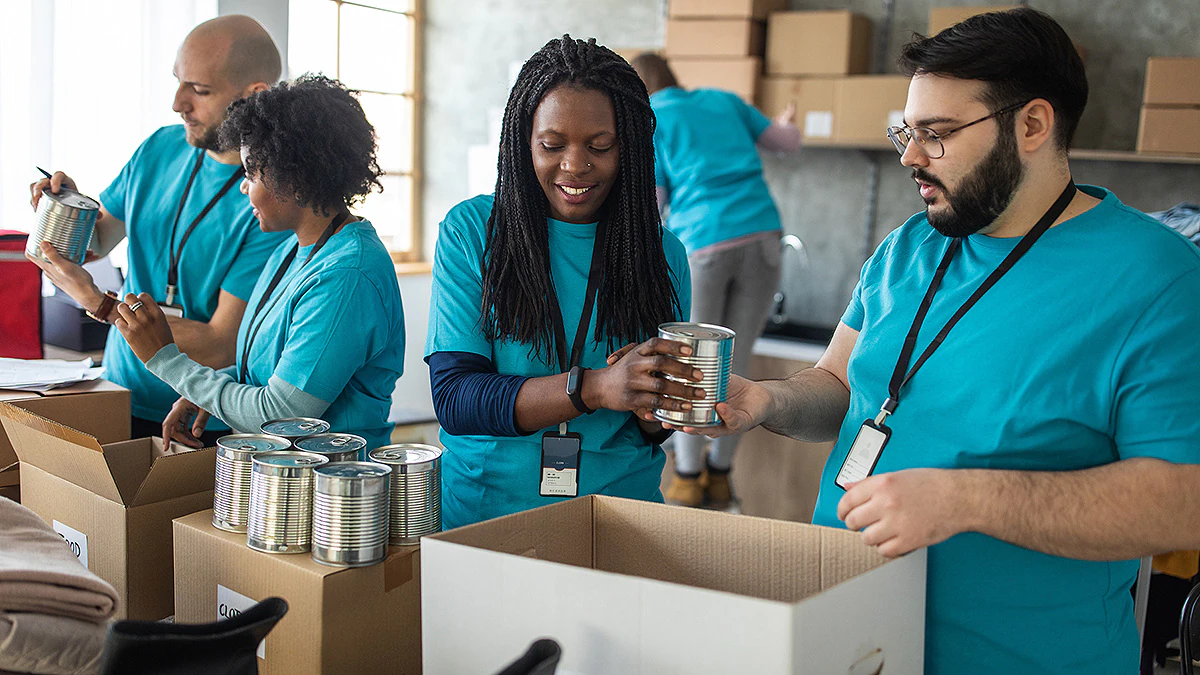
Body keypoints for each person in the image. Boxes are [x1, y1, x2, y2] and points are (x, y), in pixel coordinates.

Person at [662, 8, 1200, 673]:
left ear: (1032, 125)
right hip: (850, 637)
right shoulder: (907, 246)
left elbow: (1183, 501)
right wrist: (766, 400)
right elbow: (837, 383)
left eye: (938, 134)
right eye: (906, 133)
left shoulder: (1154, 276)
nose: (911, 157)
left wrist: (966, 498)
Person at [425, 36, 699, 530]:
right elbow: (456, 399)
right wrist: (592, 388)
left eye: (600, 146)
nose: (574, 166)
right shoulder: (471, 231)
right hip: (486, 513)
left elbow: (651, 429)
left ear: (630, 149)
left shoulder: (663, 252)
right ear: (521, 141)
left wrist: (657, 405)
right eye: (552, 146)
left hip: (621, 515)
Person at [27, 15, 288, 445]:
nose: (177, 102)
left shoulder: (270, 201)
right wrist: (64, 212)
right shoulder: (159, 148)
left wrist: (103, 305)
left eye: (199, 90)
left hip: (198, 419)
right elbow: (95, 243)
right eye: (178, 81)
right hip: (115, 394)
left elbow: (222, 343)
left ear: (253, 95)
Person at [112, 74, 405, 453]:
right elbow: (269, 369)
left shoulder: (346, 275)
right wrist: (207, 389)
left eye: (251, 172)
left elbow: (283, 414)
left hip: (337, 494)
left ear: (294, 178)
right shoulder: (293, 250)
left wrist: (166, 361)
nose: (243, 186)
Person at [631, 53, 801, 509]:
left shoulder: (651, 122)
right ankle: (722, 475)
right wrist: (789, 119)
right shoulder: (725, 101)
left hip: (702, 244)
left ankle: (687, 477)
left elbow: (656, 205)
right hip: (762, 234)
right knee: (736, 361)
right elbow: (786, 143)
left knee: (687, 362)